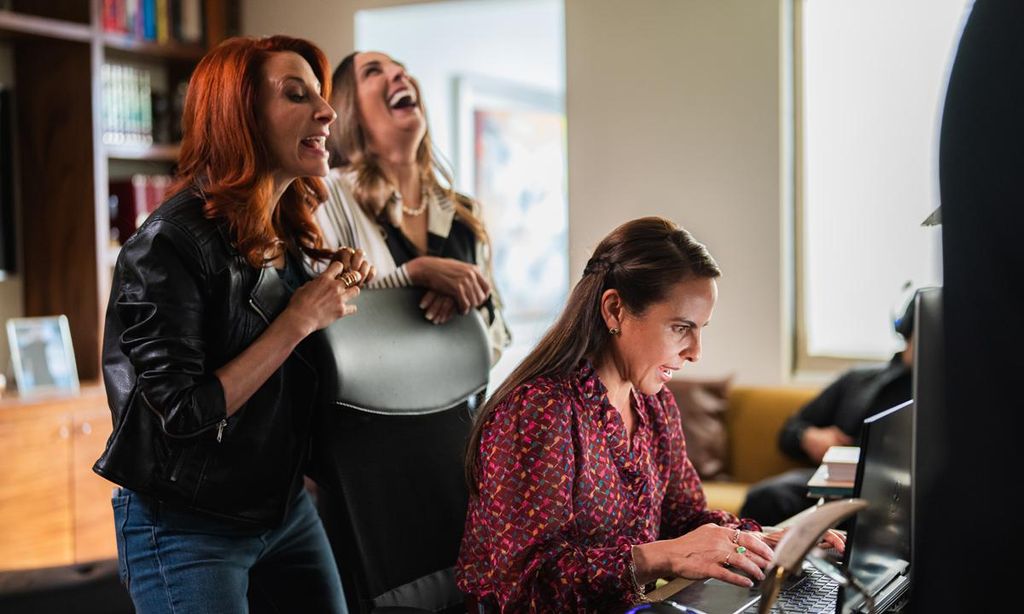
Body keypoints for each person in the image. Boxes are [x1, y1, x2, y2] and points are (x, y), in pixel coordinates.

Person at [93, 35, 373, 614]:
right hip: (186, 527)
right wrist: (296, 321)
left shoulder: (287, 231)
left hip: (283, 507)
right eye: (297, 96)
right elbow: (183, 413)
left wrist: (332, 292)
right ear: (240, 119)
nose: (327, 112)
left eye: (321, 96)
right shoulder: (167, 244)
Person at [456, 217, 844, 612]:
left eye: (701, 329)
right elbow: (528, 585)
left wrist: (762, 538)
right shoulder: (539, 412)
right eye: (681, 327)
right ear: (614, 310)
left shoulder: (654, 405)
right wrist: (661, 556)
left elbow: (684, 517)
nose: (696, 351)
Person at [314, 50, 510, 360]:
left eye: (402, 69)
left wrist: (468, 308)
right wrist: (413, 275)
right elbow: (325, 324)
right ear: (348, 108)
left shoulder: (465, 213)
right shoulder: (328, 194)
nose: (400, 75)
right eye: (373, 71)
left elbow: (498, 334)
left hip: (462, 408)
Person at [738, 299, 915, 526]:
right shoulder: (857, 380)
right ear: (908, 328)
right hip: (839, 487)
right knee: (765, 498)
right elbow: (789, 431)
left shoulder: (947, 391)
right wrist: (809, 437)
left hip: (900, 492)